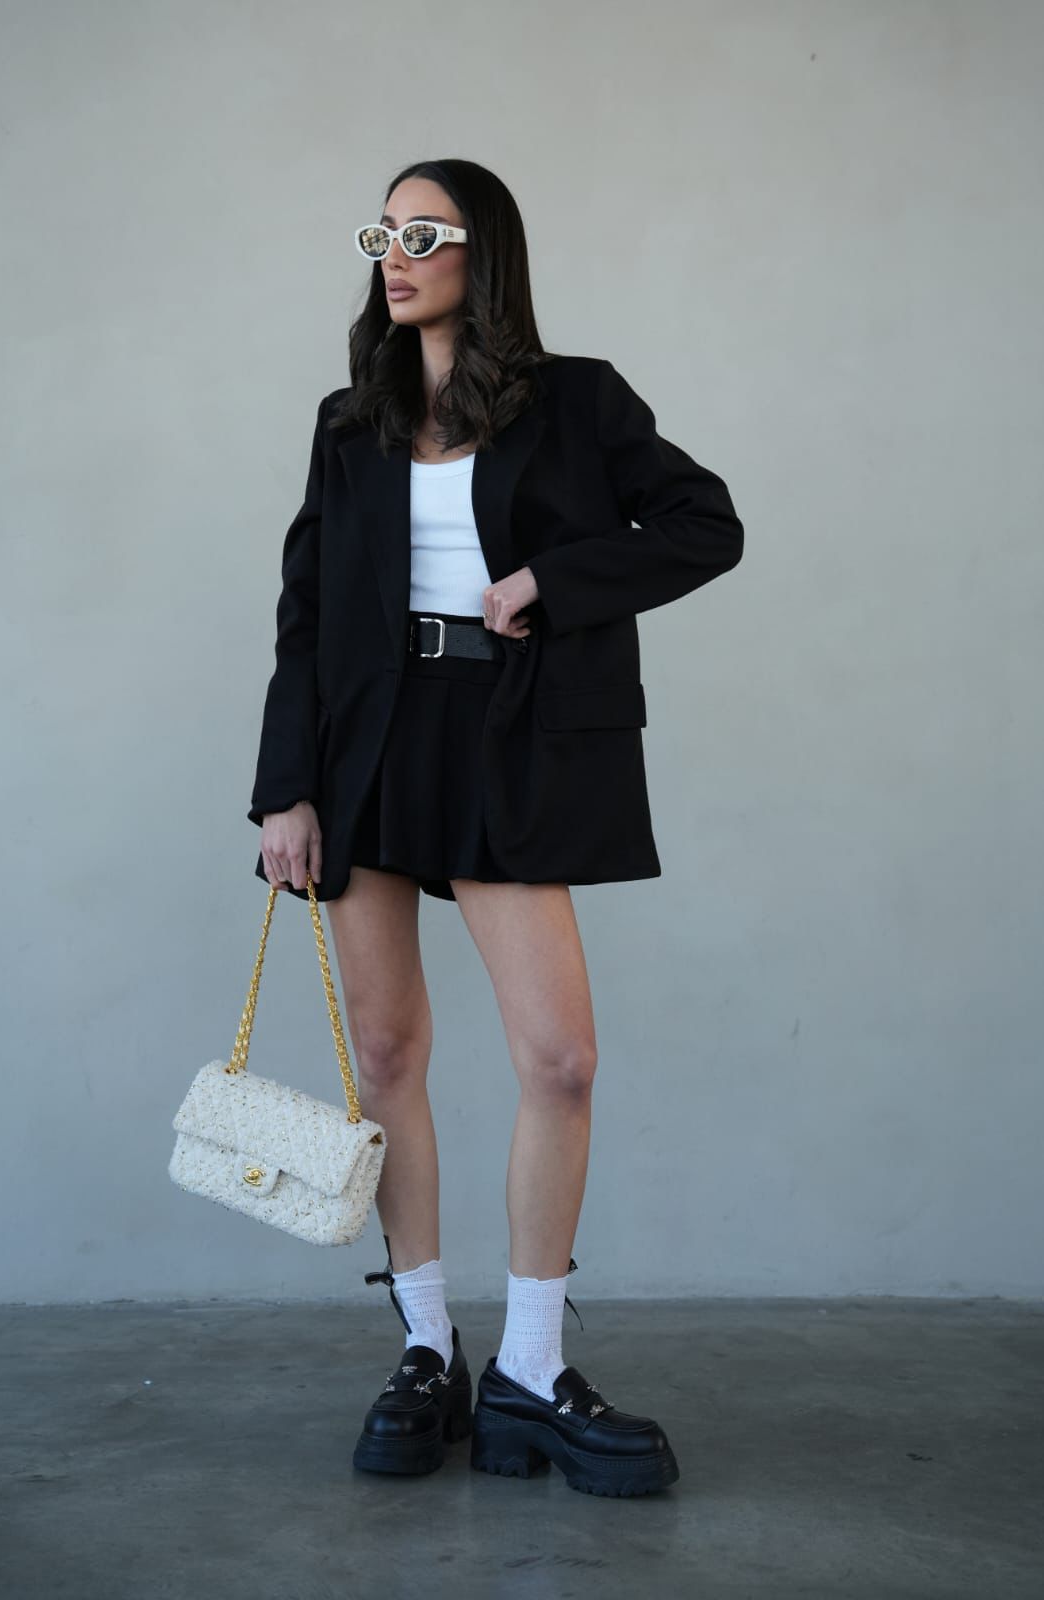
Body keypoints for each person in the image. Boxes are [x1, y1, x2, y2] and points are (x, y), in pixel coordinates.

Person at [247, 157, 744, 1496]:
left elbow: (705, 524)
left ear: (487, 254)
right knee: (386, 1054)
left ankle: (531, 1364)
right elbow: (305, 612)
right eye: (383, 235)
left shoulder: (577, 400)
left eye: (425, 233)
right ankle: (426, 1349)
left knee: (559, 1060)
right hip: (366, 739)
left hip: (510, 733)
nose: (396, 258)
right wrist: (286, 787)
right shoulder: (349, 421)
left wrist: (549, 582)